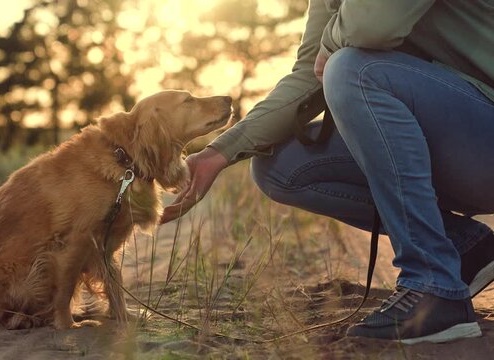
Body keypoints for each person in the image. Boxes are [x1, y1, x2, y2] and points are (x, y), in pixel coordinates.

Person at [160, 0, 494, 344]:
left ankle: (433, 286)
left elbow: (370, 27)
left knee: (355, 71)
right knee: (281, 166)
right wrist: (218, 153)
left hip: (483, 133)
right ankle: (463, 247)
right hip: (457, 142)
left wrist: (331, 50)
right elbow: (309, 76)